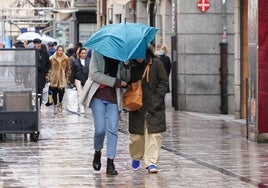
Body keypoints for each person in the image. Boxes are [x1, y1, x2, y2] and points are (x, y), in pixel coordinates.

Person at [81, 51, 127, 175]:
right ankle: (97, 151)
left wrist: (126, 65)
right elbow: (95, 74)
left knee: (113, 129)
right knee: (100, 129)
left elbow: (126, 79)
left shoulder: (120, 55)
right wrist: (115, 82)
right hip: (98, 96)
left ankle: (110, 162)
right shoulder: (97, 53)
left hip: (114, 97)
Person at [127, 45, 169, 173]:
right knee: (137, 137)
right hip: (137, 105)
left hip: (155, 106)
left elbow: (163, 82)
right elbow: (126, 82)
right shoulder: (130, 66)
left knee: (154, 135)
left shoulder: (156, 63)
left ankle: (151, 162)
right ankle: (136, 156)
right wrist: (125, 67)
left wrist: (157, 99)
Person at [46, 45, 71, 114]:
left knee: (61, 92)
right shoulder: (52, 58)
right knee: (54, 92)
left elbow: (68, 69)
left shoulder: (66, 58)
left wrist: (67, 78)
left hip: (62, 77)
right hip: (54, 77)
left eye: (61, 50)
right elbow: (49, 68)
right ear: (56, 50)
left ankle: (60, 103)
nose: (60, 52)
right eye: (59, 50)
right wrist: (49, 76)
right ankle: (55, 105)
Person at [70, 47, 90, 114]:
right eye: (82, 53)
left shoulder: (89, 61)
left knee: (86, 94)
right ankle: (81, 107)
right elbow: (73, 72)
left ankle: (85, 105)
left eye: (85, 53)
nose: (83, 54)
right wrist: (72, 81)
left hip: (87, 79)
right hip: (78, 79)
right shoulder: (75, 62)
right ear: (79, 54)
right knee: (80, 94)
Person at [33, 38, 50, 106]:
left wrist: (45, 71)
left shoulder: (44, 52)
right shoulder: (32, 51)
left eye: (39, 43)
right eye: (37, 44)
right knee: (34, 91)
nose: (38, 45)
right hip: (33, 75)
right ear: (34, 44)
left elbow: (48, 63)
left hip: (41, 75)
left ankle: (39, 106)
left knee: (40, 91)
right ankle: (34, 105)